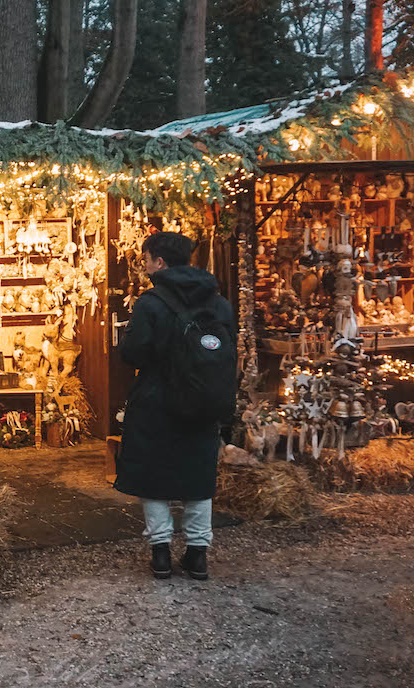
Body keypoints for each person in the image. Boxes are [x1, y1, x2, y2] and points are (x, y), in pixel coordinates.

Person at [115, 231, 236, 580]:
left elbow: (134, 353)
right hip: (202, 401)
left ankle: (161, 554)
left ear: (160, 262)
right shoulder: (218, 302)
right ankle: (198, 554)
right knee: (198, 475)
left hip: (157, 401)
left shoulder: (151, 303)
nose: (146, 265)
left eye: (147, 259)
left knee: (154, 476)